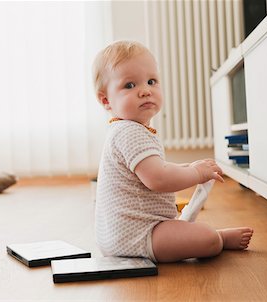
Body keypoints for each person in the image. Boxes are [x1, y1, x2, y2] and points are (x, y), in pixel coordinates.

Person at [92, 40, 253, 263]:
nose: (145, 91)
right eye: (130, 85)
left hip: (132, 231)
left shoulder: (128, 130)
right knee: (207, 239)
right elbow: (158, 178)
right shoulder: (129, 132)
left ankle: (211, 236)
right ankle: (219, 238)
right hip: (138, 235)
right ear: (106, 100)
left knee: (188, 232)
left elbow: (158, 169)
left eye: (151, 81)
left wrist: (189, 167)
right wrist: (196, 173)